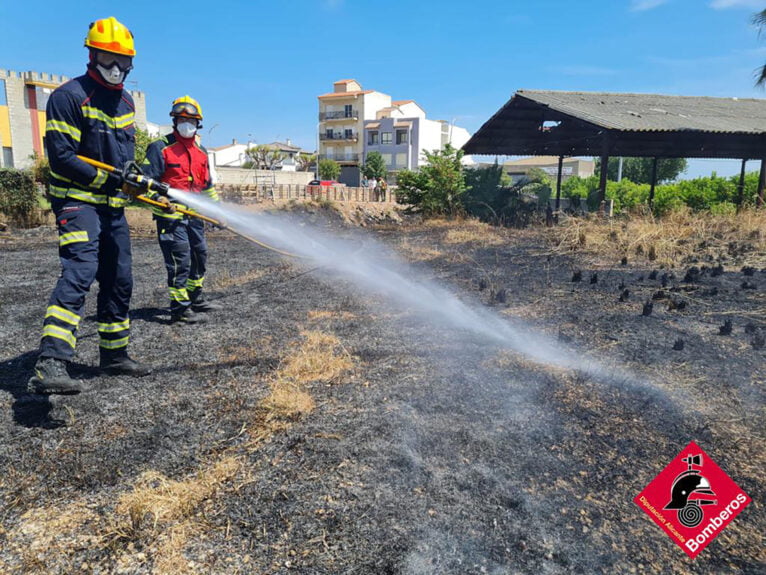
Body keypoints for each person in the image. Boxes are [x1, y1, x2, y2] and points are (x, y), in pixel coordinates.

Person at [28, 17, 151, 395]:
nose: (116, 68)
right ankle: (51, 362)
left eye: (123, 61)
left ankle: (114, 355)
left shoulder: (126, 102)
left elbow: (125, 161)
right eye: (107, 57)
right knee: (80, 272)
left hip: (112, 208)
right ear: (91, 54)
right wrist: (113, 179)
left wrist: (136, 176)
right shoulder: (68, 97)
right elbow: (63, 158)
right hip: (77, 202)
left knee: (119, 279)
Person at [142, 96, 221, 324]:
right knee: (180, 261)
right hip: (171, 218)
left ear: (198, 124)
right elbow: (145, 183)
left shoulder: (202, 152)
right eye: (182, 119)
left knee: (200, 255)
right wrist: (158, 198)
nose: (187, 124)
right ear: (175, 121)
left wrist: (217, 212)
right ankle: (179, 309)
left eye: (192, 120)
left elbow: (207, 188)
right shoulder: (160, 148)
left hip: (196, 216)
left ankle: (195, 298)